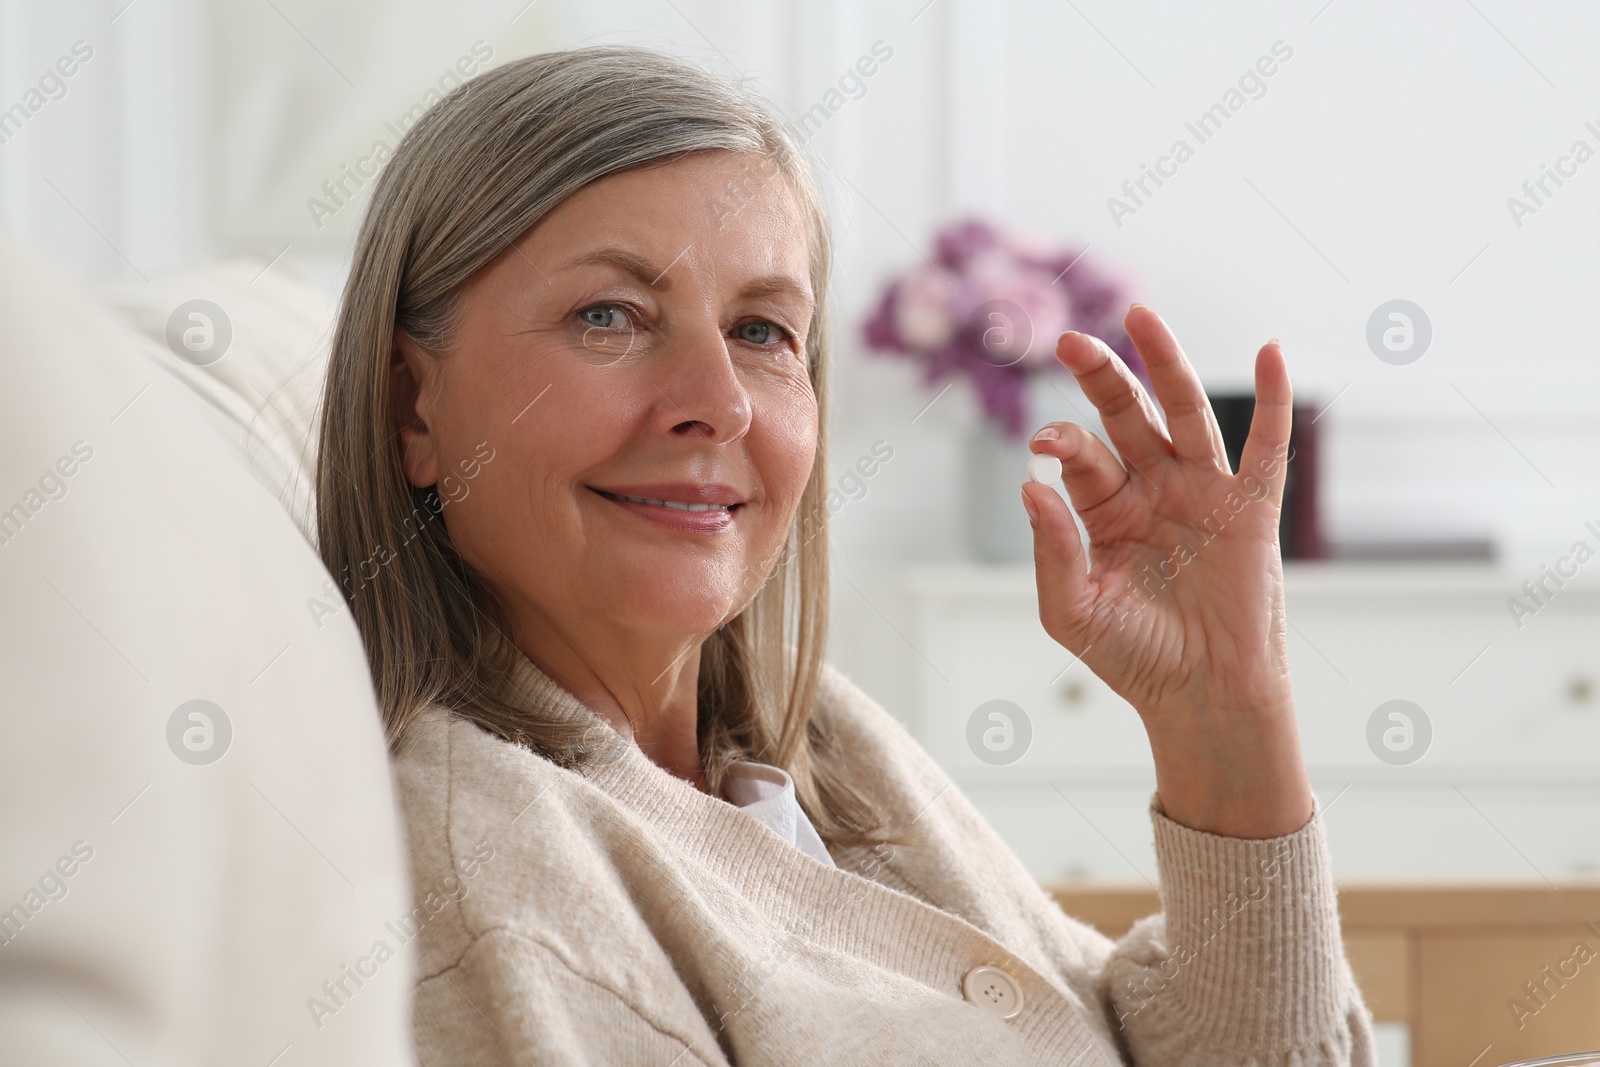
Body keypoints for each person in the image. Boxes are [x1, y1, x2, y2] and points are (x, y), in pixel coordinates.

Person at [315, 44, 1376, 1065]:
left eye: (763, 331)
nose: (718, 403)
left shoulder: (811, 737)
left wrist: (1225, 718)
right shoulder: (496, 886)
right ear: (415, 406)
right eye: (609, 315)